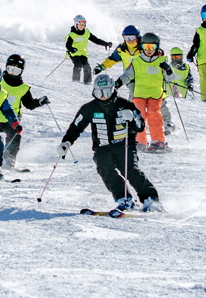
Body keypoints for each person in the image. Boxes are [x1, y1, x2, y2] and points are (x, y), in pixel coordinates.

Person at [60, 74, 163, 212]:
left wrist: (132, 118)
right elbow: (76, 127)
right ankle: (124, 198)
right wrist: (66, 142)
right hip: (102, 147)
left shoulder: (125, 105)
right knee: (105, 169)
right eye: (99, 92)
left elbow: (140, 127)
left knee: (130, 170)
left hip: (124, 145)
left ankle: (150, 199)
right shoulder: (89, 108)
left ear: (113, 89)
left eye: (106, 92)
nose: (103, 95)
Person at [115, 32, 174, 151]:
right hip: (139, 94)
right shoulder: (136, 61)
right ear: (141, 47)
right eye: (146, 47)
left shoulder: (161, 62)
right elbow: (127, 75)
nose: (149, 50)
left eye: (152, 47)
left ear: (157, 47)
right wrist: (118, 83)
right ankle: (139, 141)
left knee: (154, 115)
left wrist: (167, 69)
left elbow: (170, 79)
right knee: (138, 116)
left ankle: (158, 141)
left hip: (155, 95)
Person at [66, 15, 113, 83]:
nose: (82, 26)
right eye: (80, 24)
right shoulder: (72, 35)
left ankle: (87, 82)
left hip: (83, 53)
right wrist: (72, 49)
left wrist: (105, 43)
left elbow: (95, 40)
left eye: (83, 25)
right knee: (78, 65)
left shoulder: (86, 33)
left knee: (87, 67)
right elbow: (68, 45)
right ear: (76, 24)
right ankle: (75, 81)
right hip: (74, 53)